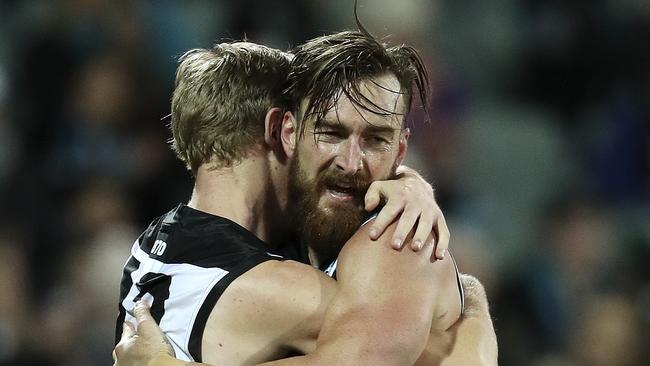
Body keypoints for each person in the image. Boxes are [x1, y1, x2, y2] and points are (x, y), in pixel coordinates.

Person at [115, 30, 495, 366]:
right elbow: (392, 350)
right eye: (329, 132)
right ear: (284, 131)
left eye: (376, 140)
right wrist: (472, 302)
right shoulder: (277, 287)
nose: (350, 163)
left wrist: (413, 183)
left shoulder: (152, 248)